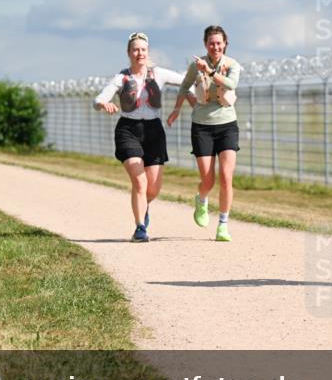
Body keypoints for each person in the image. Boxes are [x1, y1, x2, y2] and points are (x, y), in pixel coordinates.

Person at [93, 32, 191, 242]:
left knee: (153, 188)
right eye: (135, 50)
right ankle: (140, 228)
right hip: (128, 130)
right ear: (129, 53)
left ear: (148, 52)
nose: (140, 53)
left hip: (154, 131)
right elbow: (98, 99)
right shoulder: (121, 78)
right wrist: (104, 104)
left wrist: (186, 99)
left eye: (143, 50)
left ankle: (143, 207)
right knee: (140, 181)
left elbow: (186, 82)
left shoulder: (159, 74)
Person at [167, 25, 242, 242]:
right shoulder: (195, 66)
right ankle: (201, 200)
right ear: (205, 45)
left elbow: (231, 83)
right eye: (211, 43)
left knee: (227, 177)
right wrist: (177, 109)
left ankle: (223, 225)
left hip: (227, 124)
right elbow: (184, 87)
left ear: (225, 44)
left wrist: (209, 71)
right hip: (202, 126)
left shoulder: (232, 65)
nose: (215, 47)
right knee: (208, 180)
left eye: (219, 43)